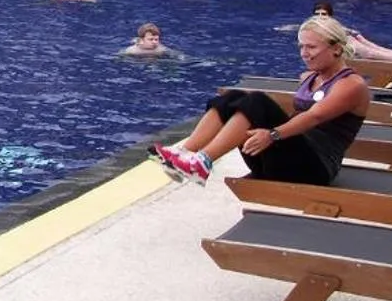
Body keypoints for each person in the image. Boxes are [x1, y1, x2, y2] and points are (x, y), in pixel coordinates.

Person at [153, 15, 371, 185]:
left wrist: (272, 134)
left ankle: (202, 163)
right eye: (301, 47)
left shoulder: (351, 85)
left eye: (311, 47)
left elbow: (315, 116)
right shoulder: (310, 77)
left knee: (256, 100)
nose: (304, 53)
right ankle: (184, 154)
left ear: (336, 49)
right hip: (284, 160)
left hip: (316, 167)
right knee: (233, 97)